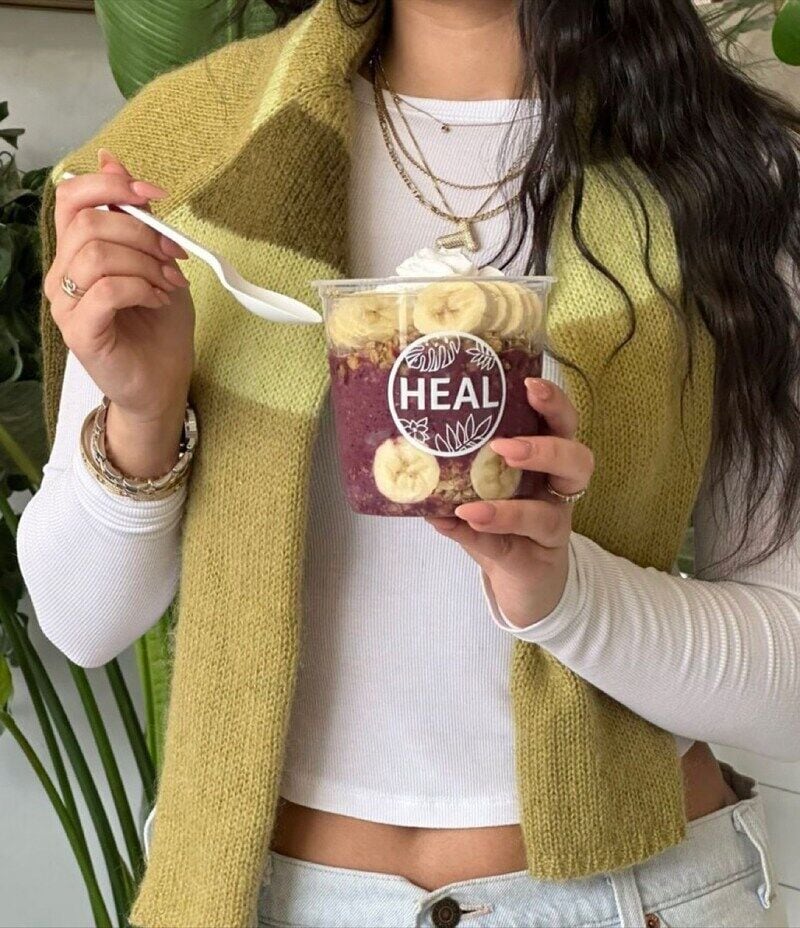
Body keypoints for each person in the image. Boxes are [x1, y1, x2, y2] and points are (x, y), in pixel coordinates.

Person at [17, 1, 800, 926]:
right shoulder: (194, 153)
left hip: (634, 897)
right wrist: (142, 416)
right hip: (279, 901)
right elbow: (82, 620)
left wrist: (567, 596)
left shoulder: (734, 172)